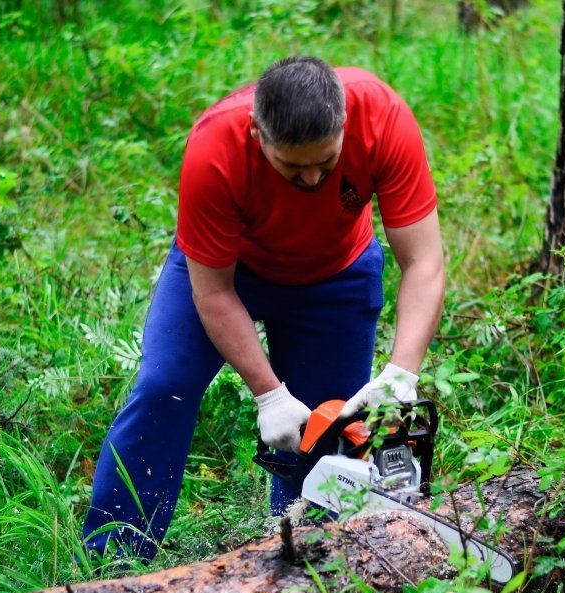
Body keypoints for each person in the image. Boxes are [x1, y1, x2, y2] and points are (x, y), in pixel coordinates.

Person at [81, 56, 445, 559]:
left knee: (327, 432)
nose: (314, 179)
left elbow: (424, 260)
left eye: (327, 162)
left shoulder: (382, 117)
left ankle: (301, 562)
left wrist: (402, 372)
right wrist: (268, 395)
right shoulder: (215, 147)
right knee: (165, 387)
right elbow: (212, 293)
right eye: (294, 167)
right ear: (257, 133)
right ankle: (111, 559)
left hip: (335, 274)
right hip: (232, 271)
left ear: (344, 125)